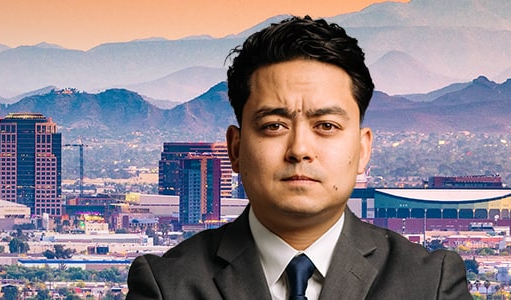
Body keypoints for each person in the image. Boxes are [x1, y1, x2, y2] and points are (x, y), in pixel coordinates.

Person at [126, 16, 472, 300]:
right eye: (274, 125)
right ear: (235, 148)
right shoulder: (168, 286)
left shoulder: (429, 284)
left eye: (326, 125)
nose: (300, 149)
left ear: (363, 149)